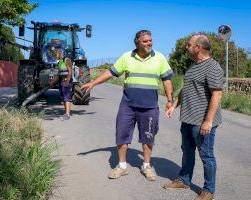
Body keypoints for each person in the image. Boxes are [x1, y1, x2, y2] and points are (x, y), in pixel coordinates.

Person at [81, 30, 174, 181]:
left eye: (150, 40)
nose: (149, 43)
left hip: (150, 106)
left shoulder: (160, 58)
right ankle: (122, 166)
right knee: (121, 134)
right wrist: (93, 83)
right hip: (128, 106)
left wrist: (170, 100)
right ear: (137, 43)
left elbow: (167, 80)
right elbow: (110, 73)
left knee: (148, 137)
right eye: (145, 41)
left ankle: (146, 166)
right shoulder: (126, 57)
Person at [163, 34, 224, 200]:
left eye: (189, 44)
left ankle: (208, 191)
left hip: (202, 122)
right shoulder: (193, 66)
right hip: (188, 119)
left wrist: (208, 121)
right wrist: (174, 106)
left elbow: (217, 94)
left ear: (198, 47)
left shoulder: (213, 67)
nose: (186, 47)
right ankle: (184, 180)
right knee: (187, 151)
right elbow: (187, 89)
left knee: (207, 156)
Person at [51, 48, 73, 121]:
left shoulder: (66, 60)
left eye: (56, 54)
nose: (55, 56)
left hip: (66, 81)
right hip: (61, 81)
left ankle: (67, 114)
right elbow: (58, 74)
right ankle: (66, 112)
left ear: (60, 53)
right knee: (63, 97)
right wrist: (53, 82)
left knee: (67, 97)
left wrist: (68, 80)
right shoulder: (59, 62)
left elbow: (70, 70)